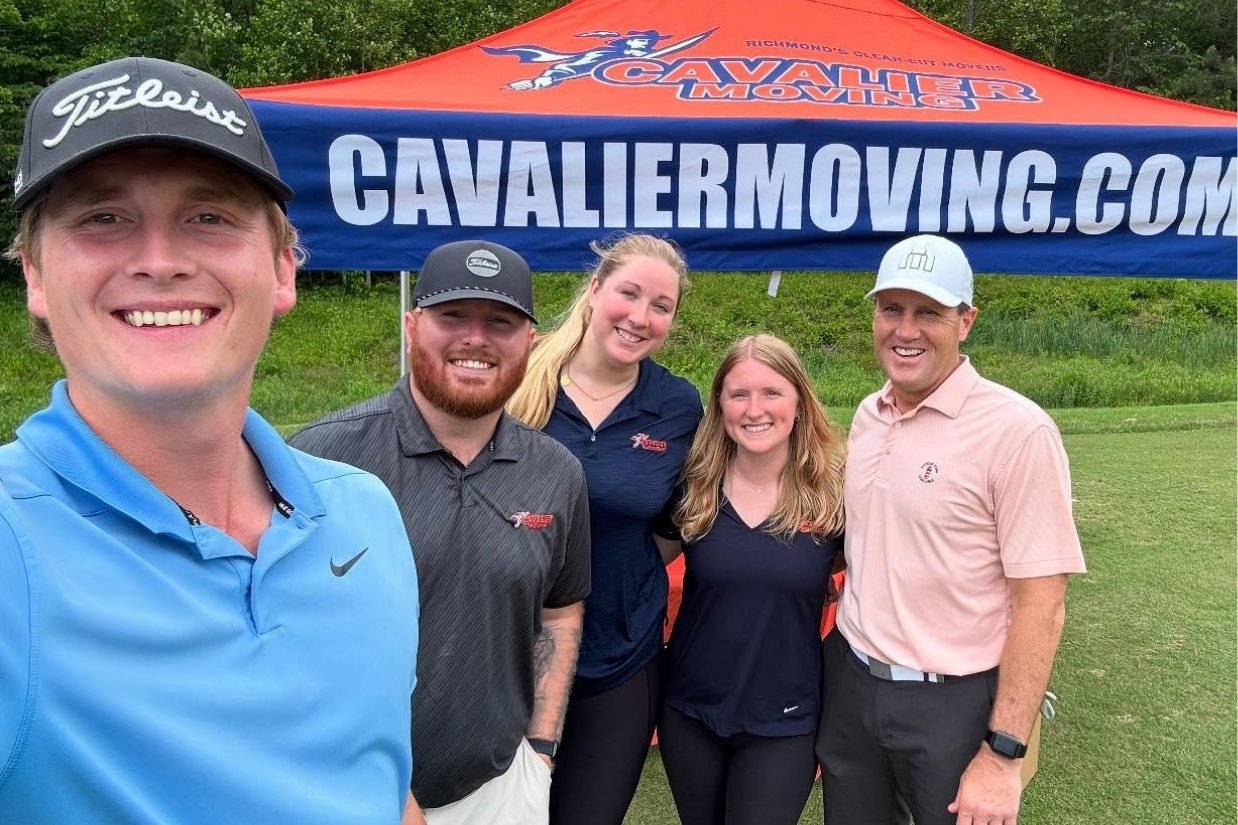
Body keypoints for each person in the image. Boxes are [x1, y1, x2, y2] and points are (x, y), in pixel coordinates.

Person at [0, 57, 421, 823]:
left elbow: (380, 781)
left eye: (210, 216)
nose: (159, 260)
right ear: (34, 274)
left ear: (284, 268)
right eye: (102, 217)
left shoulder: (365, 513)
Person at [290, 239, 590, 824]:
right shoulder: (323, 461)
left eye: (500, 322)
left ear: (529, 341)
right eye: (453, 316)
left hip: (499, 789)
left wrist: (541, 752)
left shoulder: (557, 473)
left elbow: (560, 614)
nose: (475, 338)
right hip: (345, 794)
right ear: (412, 326)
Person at [817, 234, 1087, 825]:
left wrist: (1004, 755)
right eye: (892, 309)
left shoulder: (1018, 432)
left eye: (929, 313)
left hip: (955, 702)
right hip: (854, 682)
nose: (905, 329)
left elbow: (1042, 604)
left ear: (966, 321)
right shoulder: (869, 414)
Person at [507, 234, 702, 825]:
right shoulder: (518, 382)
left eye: (661, 306)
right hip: (506, 656)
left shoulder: (677, 406)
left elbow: (676, 524)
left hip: (621, 659)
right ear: (594, 291)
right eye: (629, 294)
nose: (640, 317)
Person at [655, 334, 845, 825]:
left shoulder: (834, 496)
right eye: (738, 394)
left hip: (784, 720)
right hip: (689, 712)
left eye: (772, 393)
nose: (754, 409)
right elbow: (640, 567)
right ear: (719, 405)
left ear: (799, 402)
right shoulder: (692, 488)